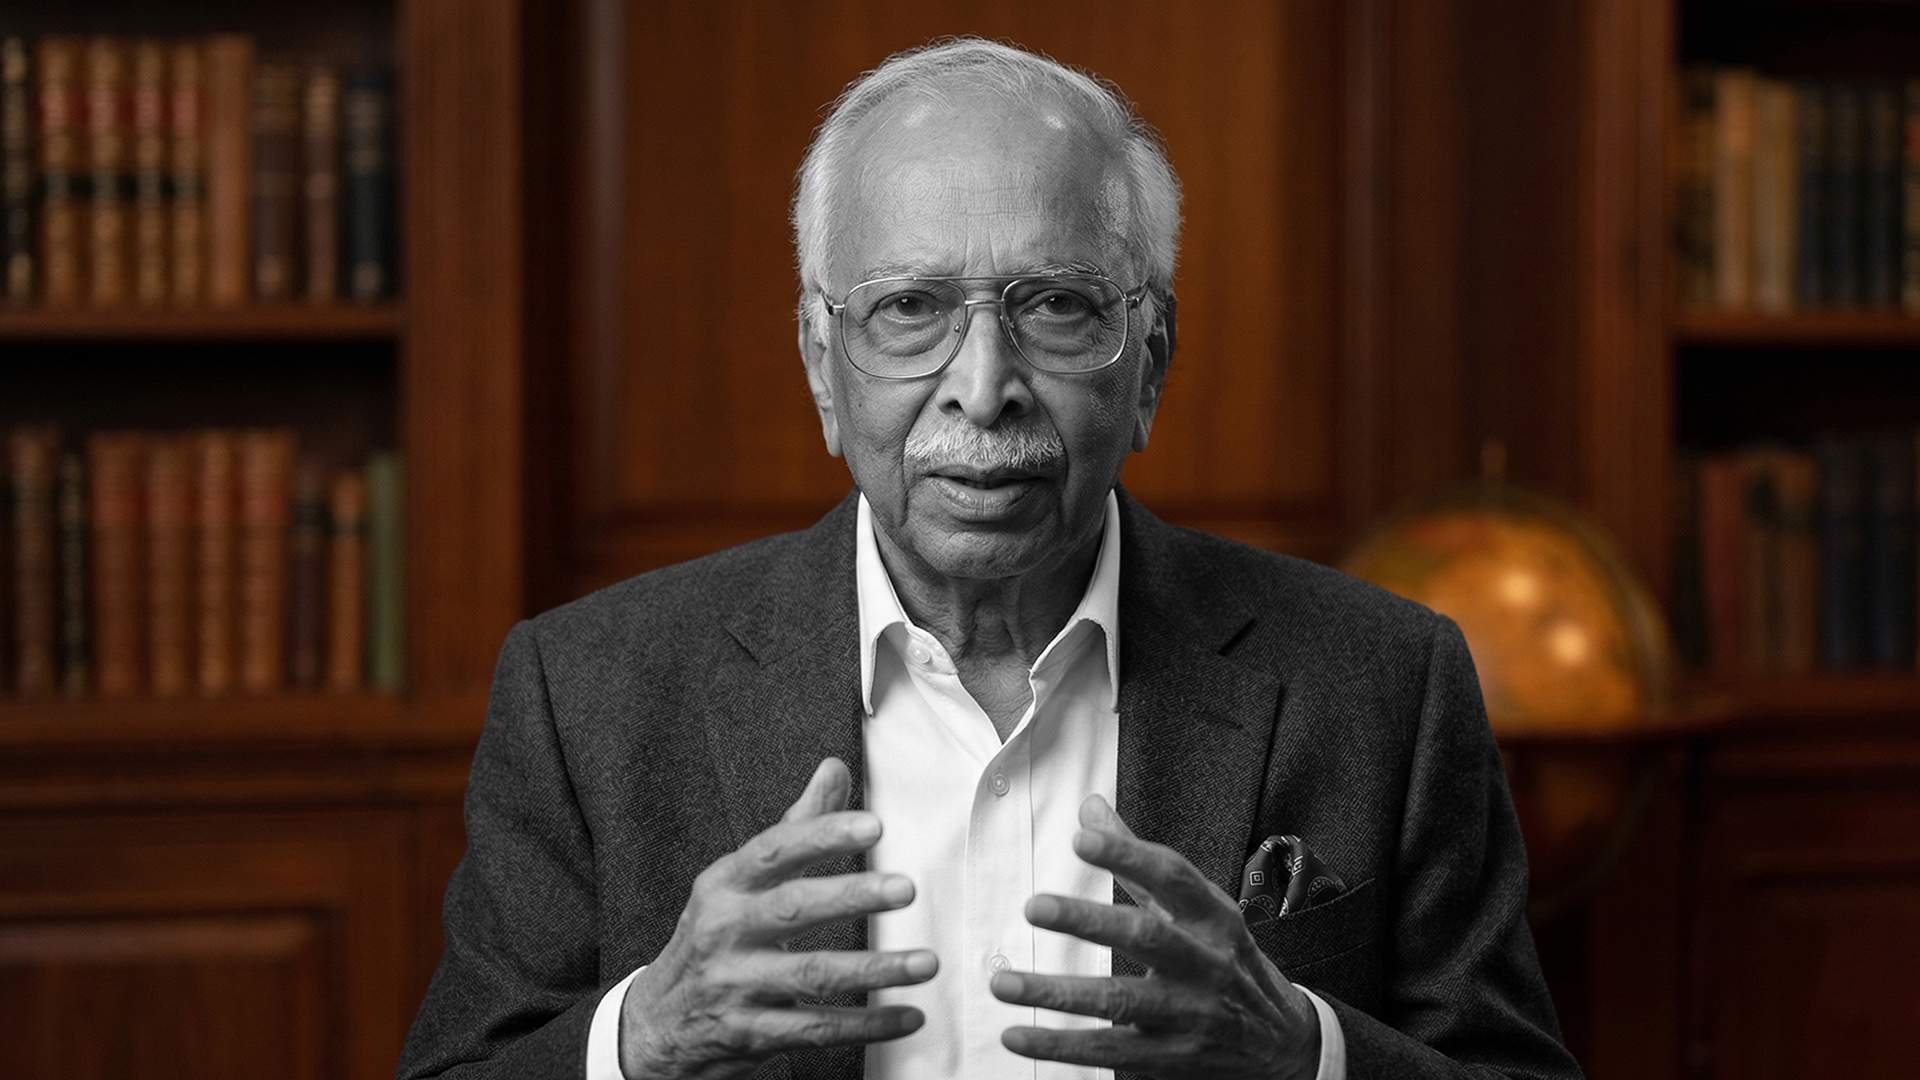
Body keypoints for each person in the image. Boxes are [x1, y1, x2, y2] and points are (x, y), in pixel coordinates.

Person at [398, 37, 1582, 1080]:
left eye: (1056, 305)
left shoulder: (1385, 683)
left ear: (1151, 363)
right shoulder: (588, 695)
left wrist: (1302, 1052)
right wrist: (645, 1037)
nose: (982, 386)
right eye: (909, 308)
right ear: (821, 365)